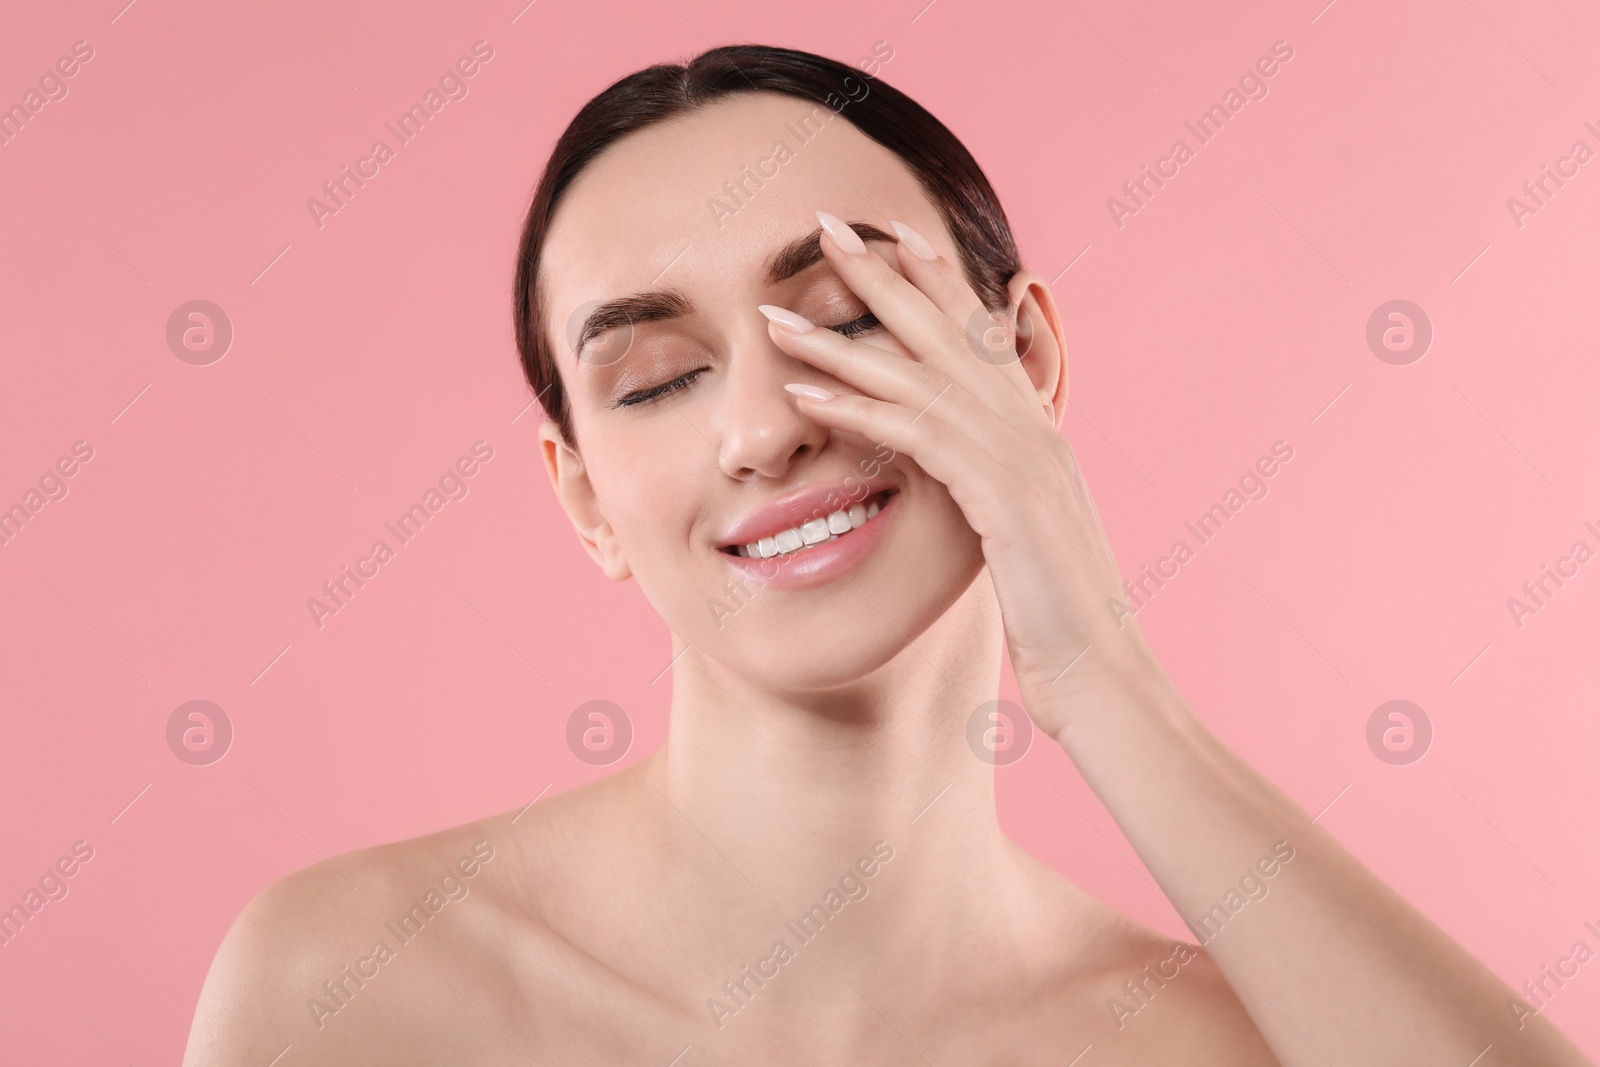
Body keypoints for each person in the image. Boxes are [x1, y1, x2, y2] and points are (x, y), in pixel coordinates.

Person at [184, 44, 1592, 1065]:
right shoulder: (345, 987)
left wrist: (1103, 681)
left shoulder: (1231, 1041)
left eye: (847, 318)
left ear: (1024, 356)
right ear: (586, 503)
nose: (761, 427)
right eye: (660, 375)